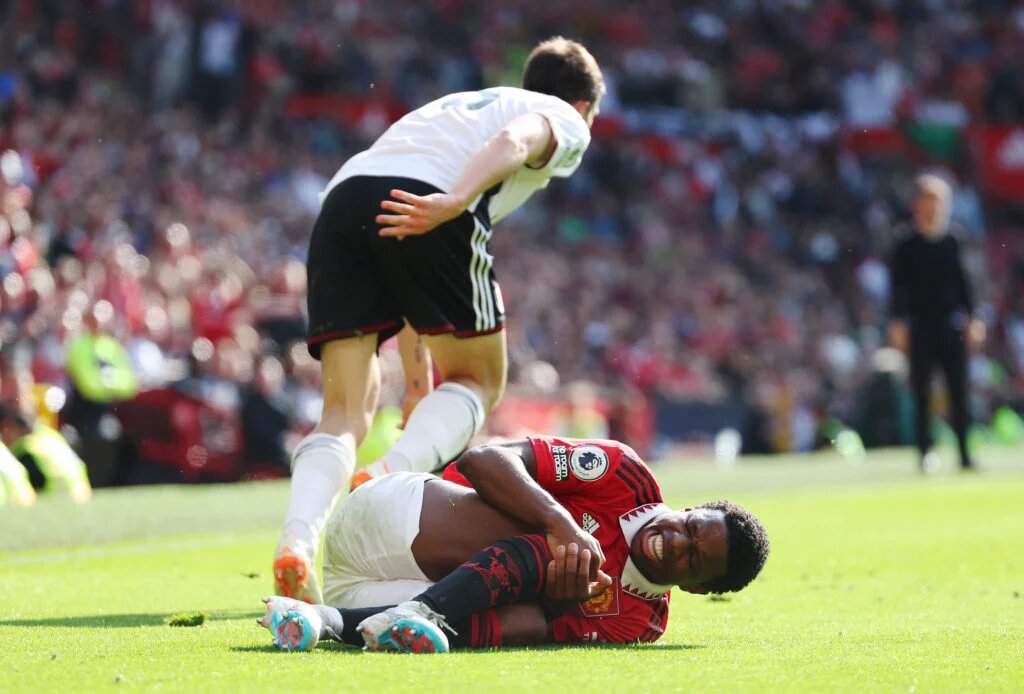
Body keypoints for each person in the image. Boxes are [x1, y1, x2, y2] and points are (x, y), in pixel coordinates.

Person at [275, 37, 606, 603]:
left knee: (344, 413)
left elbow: (406, 271)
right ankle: (386, 475)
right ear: (583, 106)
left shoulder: (460, 107)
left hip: (344, 201)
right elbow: (516, 140)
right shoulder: (561, 117)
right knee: (480, 380)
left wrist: (417, 378)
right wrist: (455, 200)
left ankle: (297, 541)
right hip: (432, 198)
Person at [258, 435, 769, 652]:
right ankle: (420, 615)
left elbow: (534, 624)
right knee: (562, 548)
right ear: (690, 508)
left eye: (694, 560)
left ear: (696, 589)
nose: (677, 542)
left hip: (372, 596)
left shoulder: (640, 624)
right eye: (691, 527)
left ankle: (322, 620)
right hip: (390, 517)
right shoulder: (624, 475)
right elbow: (481, 459)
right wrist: (561, 522)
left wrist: (559, 603)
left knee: (533, 620)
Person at [888, 175, 984, 472]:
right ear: (917, 204)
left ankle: (964, 454)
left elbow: (964, 284)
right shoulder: (905, 243)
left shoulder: (954, 240)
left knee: (959, 392)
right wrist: (897, 322)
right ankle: (924, 452)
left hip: (950, 324)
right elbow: (897, 288)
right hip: (919, 326)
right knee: (922, 393)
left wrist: (973, 317)